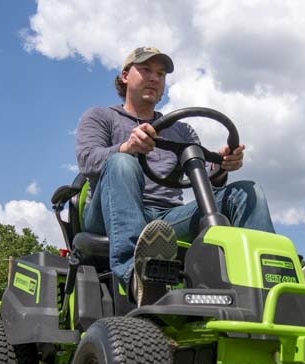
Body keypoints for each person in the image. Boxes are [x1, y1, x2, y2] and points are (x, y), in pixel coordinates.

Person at [75, 46, 276, 305]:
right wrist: (127, 147)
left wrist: (222, 165)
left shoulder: (181, 131)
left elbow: (205, 182)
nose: (154, 78)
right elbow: (87, 160)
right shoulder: (101, 117)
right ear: (125, 76)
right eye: (146, 69)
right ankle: (136, 277)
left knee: (249, 192)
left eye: (160, 74)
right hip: (107, 214)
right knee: (122, 163)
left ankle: (264, 290)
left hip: (167, 220)